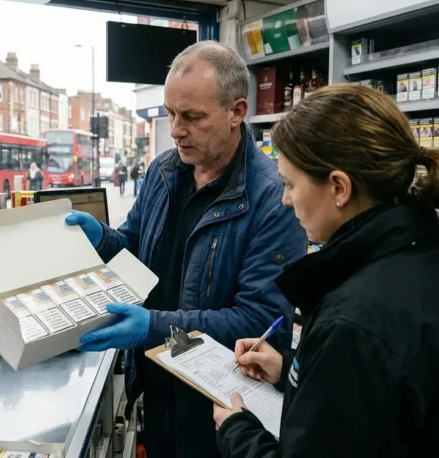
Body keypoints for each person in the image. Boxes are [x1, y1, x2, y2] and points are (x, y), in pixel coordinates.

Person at [212, 85, 439, 457]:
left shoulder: (355, 323)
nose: (285, 199)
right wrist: (294, 370)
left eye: (290, 184)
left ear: (339, 187)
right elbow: (403, 391)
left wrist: (237, 432)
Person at [64, 41, 305, 458]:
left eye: (192, 117)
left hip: (220, 412)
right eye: (171, 113)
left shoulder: (272, 200)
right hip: (159, 390)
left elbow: (260, 320)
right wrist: (104, 240)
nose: (175, 129)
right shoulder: (163, 170)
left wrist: (153, 327)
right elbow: (138, 248)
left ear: (236, 112)